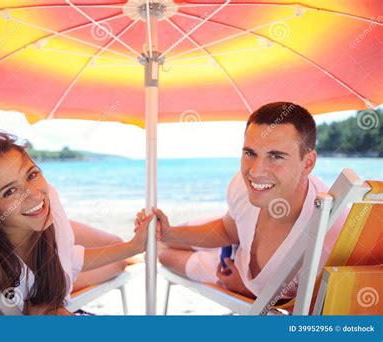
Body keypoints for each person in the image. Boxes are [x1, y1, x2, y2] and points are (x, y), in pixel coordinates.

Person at [0, 132, 153, 315]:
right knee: (118, 261)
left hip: (46, 226)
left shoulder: (48, 200)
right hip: (38, 234)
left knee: (117, 251)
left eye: (31, 174)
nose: (33, 193)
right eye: (10, 192)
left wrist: (135, 245)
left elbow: (68, 257)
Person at [136, 102, 344, 300]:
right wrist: (168, 232)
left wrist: (244, 289)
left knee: (163, 255)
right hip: (236, 252)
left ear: (308, 164)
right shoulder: (243, 186)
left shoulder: (330, 234)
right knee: (159, 241)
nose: (255, 171)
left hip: (235, 276)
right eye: (249, 153)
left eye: (275, 156)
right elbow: (228, 232)